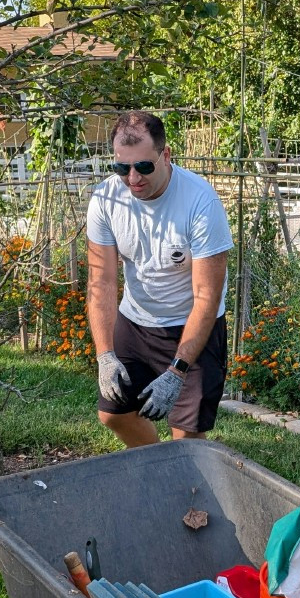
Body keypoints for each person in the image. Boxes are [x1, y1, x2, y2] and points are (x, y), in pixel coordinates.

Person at [86, 111, 233, 447]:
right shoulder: (106, 199)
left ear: (165, 155)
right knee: (113, 414)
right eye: (122, 168)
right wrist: (105, 355)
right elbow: (101, 284)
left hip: (192, 324)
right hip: (136, 323)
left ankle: (180, 472)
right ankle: (157, 464)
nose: (133, 178)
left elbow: (207, 297)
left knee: (187, 438)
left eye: (143, 166)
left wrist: (177, 371)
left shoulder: (201, 202)